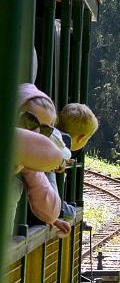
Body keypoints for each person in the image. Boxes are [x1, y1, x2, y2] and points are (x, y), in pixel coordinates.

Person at [14, 83, 71, 236]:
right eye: (30, 120)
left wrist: (53, 220)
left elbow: (51, 210)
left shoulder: (27, 163)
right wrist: (54, 162)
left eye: (45, 130)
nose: (37, 132)